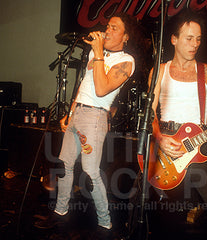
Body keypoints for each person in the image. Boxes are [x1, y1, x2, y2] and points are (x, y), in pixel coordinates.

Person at [35, 13, 143, 233]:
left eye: (114, 27)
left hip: (95, 117)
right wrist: (71, 112)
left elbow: (102, 89)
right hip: (78, 114)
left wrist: (99, 51)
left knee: (90, 172)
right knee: (65, 165)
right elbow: (85, 86)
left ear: (126, 37)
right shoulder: (97, 54)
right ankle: (60, 212)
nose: (108, 30)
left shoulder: (126, 61)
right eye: (108, 26)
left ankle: (105, 223)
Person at [145, 9, 207, 239]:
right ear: (174, 39)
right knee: (168, 219)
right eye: (189, 38)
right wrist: (159, 137)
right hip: (166, 145)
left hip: (199, 143)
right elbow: (149, 112)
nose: (194, 44)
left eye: (198, 39)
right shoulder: (159, 71)